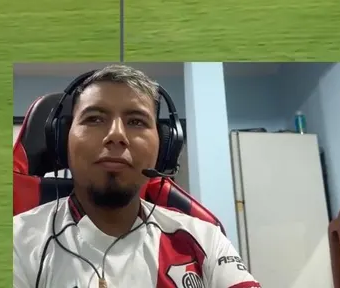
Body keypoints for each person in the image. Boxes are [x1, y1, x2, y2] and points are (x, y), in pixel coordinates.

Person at [13, 65, 261, 288]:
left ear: (164, 147)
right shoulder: (16, 241)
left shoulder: (205, 239)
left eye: (136, 121)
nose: (116, 134)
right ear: (62, 140)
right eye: (95, 119)